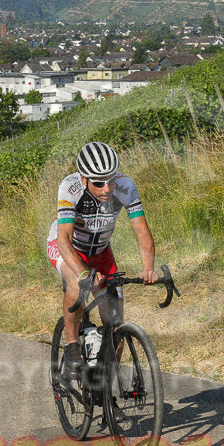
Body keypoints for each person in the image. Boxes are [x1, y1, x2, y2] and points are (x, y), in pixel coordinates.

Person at [46, 142, 156, 377]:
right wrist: (84, 273)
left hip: (101, 250)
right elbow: (64, 240)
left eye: (111, 180)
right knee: (77, 283)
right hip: (69, 248)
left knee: (115, 324)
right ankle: (72, 342)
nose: (107, 188)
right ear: (84, 178)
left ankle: (106, 393)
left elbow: (142, 230)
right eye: (98, 182)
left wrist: (148, 268)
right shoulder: (70, 187)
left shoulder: (125, 186)